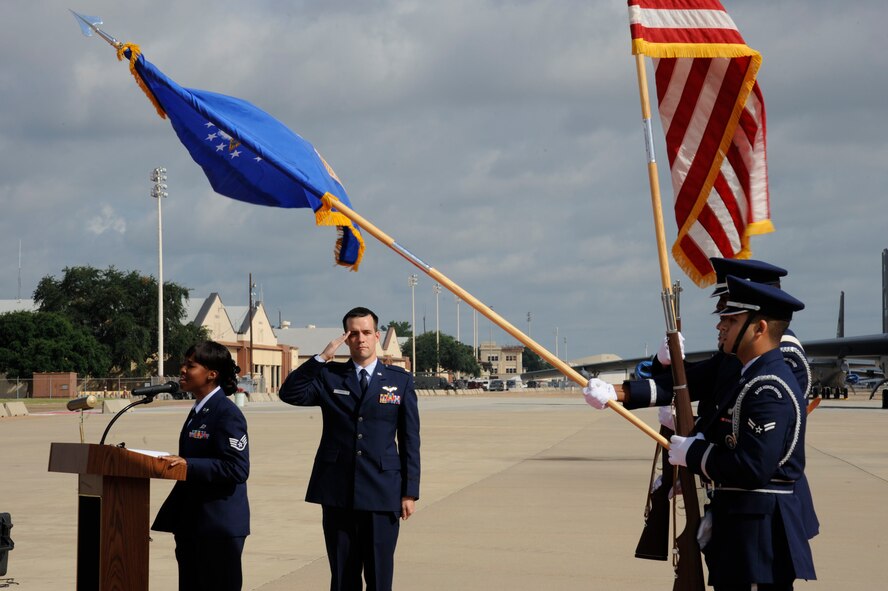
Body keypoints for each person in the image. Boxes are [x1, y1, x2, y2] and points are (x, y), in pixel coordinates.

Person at [583, 257, 819, 539]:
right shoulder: (742, 358)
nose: (720, 318)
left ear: (758, 319)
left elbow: (756, 441)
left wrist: (697, 444)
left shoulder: (782, 359)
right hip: (731, 494)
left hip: (763, 509)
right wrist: (619, 391)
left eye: (730, 311)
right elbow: (691, 383)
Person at [668, 275, 815, 589]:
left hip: (757, 538)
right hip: (740, 528)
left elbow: (752, 468)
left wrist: (694, 453)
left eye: (731, 321)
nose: (721, 327)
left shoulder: (768, 388)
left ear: (760, 328)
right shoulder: (753, 380)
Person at [279, 306, 420, 591]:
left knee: (380, 578)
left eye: (366, 332)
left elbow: (410, 439)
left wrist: (409, 491)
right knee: (343, 577)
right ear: (346, 338)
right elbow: (289, 393)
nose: (360, 339)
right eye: (353, 334)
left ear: (377, 336)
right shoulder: (330, 376)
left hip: (382, 491)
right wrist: (321, 358)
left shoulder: (398, 380)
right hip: (337, 491)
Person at [152, 341, 250, 591]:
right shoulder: (200, 410)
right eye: (184, 364)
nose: (182, 370)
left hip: (218, 527)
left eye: (191, 365)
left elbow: (237, 469)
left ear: (212, 374)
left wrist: (188, 464)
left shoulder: (226, 413)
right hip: (193, 523)